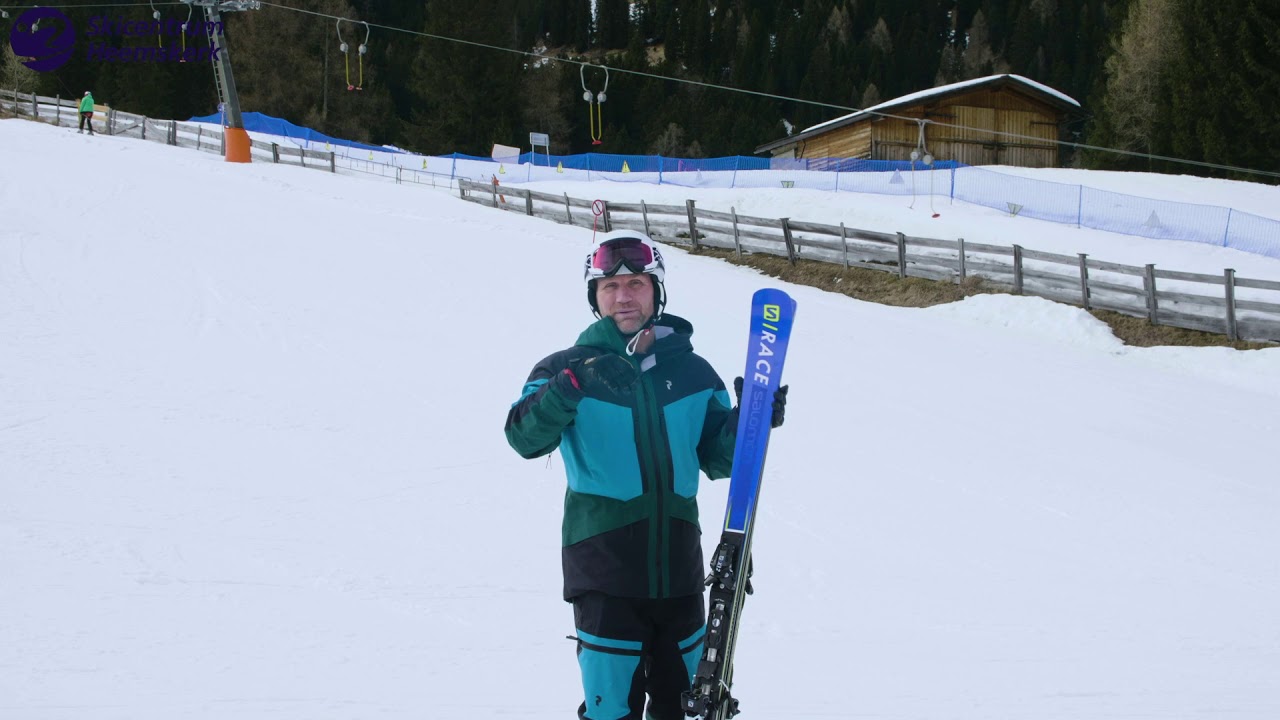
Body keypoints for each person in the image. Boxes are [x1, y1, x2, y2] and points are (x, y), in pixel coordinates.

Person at [504, 229, 788, 720]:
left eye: (636, 283)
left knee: (686, 709)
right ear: (595, 297)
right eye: (610, 286)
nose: (624, 296)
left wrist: (749, 424)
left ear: (656, 291)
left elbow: (717, 459)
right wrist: (573, 384)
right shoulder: (562, 367)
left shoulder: (695, 372)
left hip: (681, 577)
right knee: (611, 712)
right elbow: (523, 437)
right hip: (604, 576)